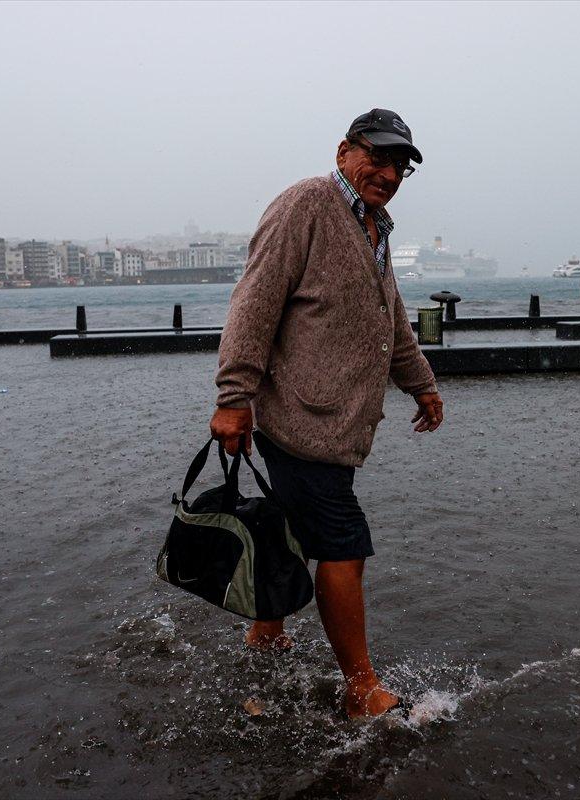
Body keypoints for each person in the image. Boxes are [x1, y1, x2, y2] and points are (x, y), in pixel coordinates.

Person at [209, 108, 445, 718]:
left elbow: (390, 318)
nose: (388, 173)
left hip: (338, 422)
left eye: (400, 165)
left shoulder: (375, 226)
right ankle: (362, 689)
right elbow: (253, 305)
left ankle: (264, 630)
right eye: (378, 157)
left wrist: (422, 385)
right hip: (300, 419)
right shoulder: (305, 206)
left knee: (288, 527)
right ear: (344, 151)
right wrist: (234, 399)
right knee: (343, 545)